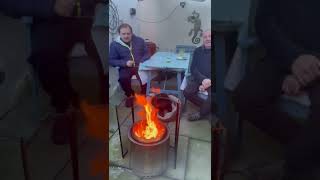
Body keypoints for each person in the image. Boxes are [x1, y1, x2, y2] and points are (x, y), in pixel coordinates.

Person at [234, 0, 320, 179]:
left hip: (317, 62)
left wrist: (309, 68)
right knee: (245, 97)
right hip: (283, 56)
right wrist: (293, 59)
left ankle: (295, 163)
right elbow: (264, 22)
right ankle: (306, 153)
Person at [1, 0, 103, 145]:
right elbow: (7, 4)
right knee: (45, 55)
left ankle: (102, 97)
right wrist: (50, 6)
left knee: (108, 47)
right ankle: (63, 107)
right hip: (50, 20)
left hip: (86, 16)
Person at [109, 23, 150, 107]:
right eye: (123, 34)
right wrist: (124, 63)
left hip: (140, 66)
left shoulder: (140, 41)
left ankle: (144, 93)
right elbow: (111, 60)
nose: (126, 36)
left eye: (128, 33)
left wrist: (142, 61)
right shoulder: (114, 45)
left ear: (132, 33)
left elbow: (147, 53)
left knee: (145, 77)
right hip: (125, 68)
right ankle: (129, 95)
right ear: (119, 34)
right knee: (123, 78)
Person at [183, 30, 212, 121]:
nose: (208, 39)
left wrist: (209, 82)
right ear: (203, 39)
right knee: (187, 91)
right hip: (199, 79)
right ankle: (207, 106)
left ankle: (201, 113)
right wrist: (202, 80)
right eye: (205, 37)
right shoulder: (197, 51)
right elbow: (193, 68)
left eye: (210, 36)